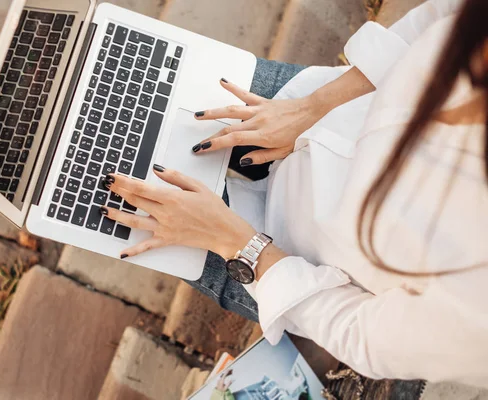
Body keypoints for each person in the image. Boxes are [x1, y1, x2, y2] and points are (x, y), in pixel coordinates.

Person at [100, 0, 488, 388]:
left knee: (95, 186)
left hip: (279, 260)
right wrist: (312, 107)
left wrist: (238, 244)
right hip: (314, 104)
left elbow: (360, 336)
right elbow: (444, 14)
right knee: (114, 70)